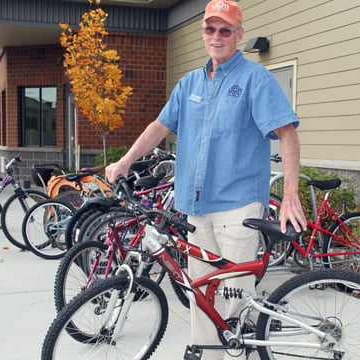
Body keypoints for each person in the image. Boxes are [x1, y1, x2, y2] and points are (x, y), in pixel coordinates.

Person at [105, 1, 307, 358]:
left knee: (234, 299)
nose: (217, 37)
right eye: (210, 29)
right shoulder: (189, 83)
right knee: (202, 292)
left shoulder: (255, 80)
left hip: (238, 207)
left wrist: (290, 196)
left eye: (225, 30)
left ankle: (235, 352)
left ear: (239, 35)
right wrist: (125, 160)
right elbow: (160, 126)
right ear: (203, 33)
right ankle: (206, 352)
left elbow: (287, 134)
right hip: (195, 209)